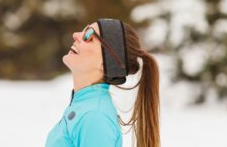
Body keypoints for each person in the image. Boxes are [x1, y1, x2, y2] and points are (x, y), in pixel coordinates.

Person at [45, 18, 160, 147]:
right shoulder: (84, 105)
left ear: (105, 63)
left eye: (89, 36)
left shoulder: (94, 117)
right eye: (84, 30)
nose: (76, 35)